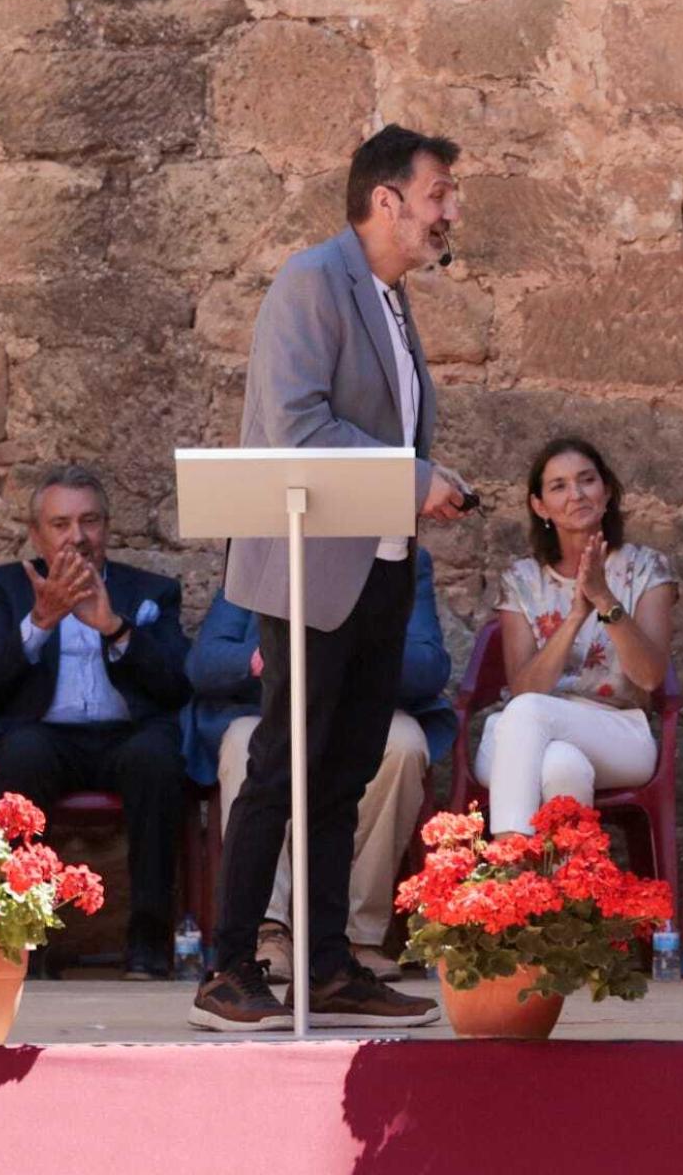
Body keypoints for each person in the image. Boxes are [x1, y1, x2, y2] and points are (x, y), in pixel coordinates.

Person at [193, 125, 473, 1032]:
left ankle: (324, 968)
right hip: (314, 564)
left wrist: (427, 484)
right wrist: (412, 479)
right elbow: (295, 427)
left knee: (344, 771)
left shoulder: (390, 298)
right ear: (385, 200)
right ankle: (228, 968)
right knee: (282, 764)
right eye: (439, 194)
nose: (450, 211)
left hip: (381, 566)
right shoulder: (313, 281)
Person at [183, 548, 456, 982]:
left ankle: (355, 938)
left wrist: (343, 657)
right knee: (246, 746)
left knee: (403, 745)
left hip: (360, 706)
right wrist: (268, 658)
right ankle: (269, 931)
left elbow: (428, 665)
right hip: (272, 706)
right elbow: (205, 661)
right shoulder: (274, 548)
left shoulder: (403, 557)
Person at [0, 464, 190, 980]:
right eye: (61, 524)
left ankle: (149, 944)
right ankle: (29, 938)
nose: (78, 537)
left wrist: (114, 627)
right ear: (36, 534)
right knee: (23, 756)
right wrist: (41, 622)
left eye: (90, 522)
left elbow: (177, 685)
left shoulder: (151, 589)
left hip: (127, 735)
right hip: (44, 736)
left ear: (107, 528)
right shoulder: (4, 587)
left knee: (157, 758)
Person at [477, 438, 676, 836]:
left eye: (587, 480)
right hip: (521, 732)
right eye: (559, 486)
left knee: (531, 714)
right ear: (540, 506)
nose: (577, 494)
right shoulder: (522, 579)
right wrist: (573, 620)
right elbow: (525, 689)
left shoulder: (647, 568)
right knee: (561, 765)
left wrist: (603, 598)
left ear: (607, 492)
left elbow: (650, 677)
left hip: (618, 730)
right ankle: (563, 895)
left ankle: (509, 863)